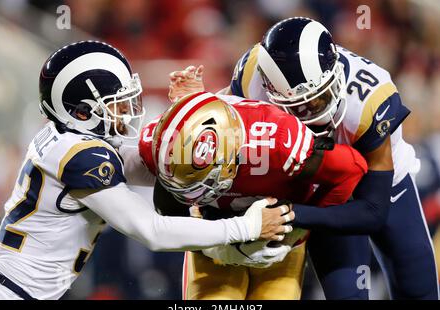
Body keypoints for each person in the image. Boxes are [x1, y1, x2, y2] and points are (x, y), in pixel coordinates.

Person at [0, 41, 290, 300]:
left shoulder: (70, 140)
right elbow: (152, 231)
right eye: (115, 105)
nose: (125, 112)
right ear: (80, 112)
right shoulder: (80, 155)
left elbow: (153, 166)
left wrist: (189, 117)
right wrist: (245, 228)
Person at [168, 17, 439, 300]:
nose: (314, 113)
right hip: (317, 188)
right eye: (300, 107)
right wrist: (196, 107)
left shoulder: (370, 98)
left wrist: (292, 213)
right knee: (348, 296)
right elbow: (224, 132)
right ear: (272, 92)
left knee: (417, 290)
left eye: (319, 100)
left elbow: (373, 210)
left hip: (375, 185)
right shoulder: (253, 78)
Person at [140, 91, 367, 299]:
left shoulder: (277, 140)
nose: (196, 193)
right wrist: (219, 248)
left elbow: (352, 169)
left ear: (234, 150)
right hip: (212, 224)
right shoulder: (161, 145)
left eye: (204, 183)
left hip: (278, 231)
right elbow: (172, 216)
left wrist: (298, 229)